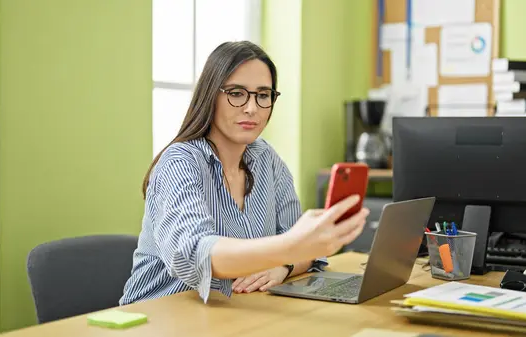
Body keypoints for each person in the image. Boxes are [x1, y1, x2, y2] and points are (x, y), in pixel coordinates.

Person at [119, 41, 369, 305]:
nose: (252, 108)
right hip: (158, 318)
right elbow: (197, 256)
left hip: (231, 313)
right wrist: (289, 248)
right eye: (237, 93)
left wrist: (283, 265)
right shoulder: (179, 163)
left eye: (263, 95)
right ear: (209, 95)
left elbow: (306, 251)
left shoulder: (266, 159)